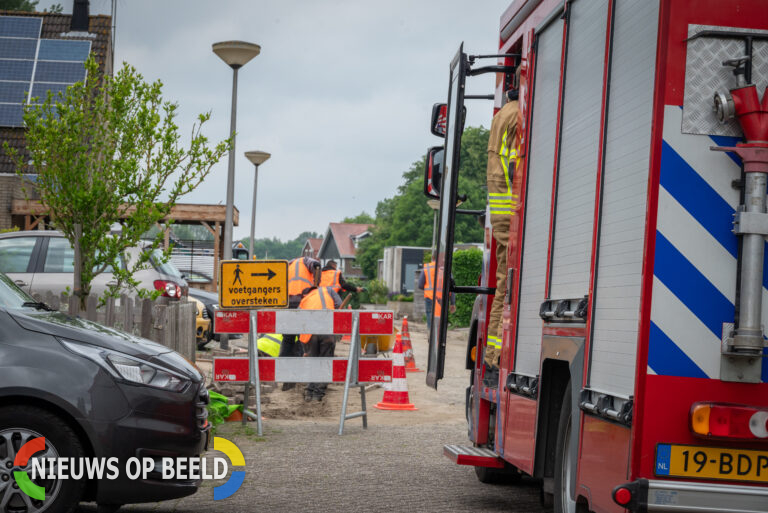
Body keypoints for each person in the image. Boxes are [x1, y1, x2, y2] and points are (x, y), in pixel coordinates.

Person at [484, 86, 520, 387]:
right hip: (512, 215)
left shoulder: (500, 117)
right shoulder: (518, 116)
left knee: (501, 290)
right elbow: (514, 170)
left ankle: (493, 358)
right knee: (508, 288)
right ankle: (495, 359)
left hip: (502, 218)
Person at [281, 256, 321, 391]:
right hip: (302, 302)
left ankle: (285, 375)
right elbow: (316, 265)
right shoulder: (306, 260)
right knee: (301, 338)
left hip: (286, 302)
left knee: (287, 338)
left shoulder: (289, 263)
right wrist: (316, 285)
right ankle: (295, 377)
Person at [298, 285, 342, 402]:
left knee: (313, 363)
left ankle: (309, 392)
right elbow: (339, 304)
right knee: (325, 362)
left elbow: (298, 324)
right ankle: (318, 394)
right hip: (327, 329)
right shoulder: (328, 290)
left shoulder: (304, 301)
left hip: (311, 335)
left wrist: (305, 350)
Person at [418, 252, 455, 330]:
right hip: (443, 300)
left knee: (430, 317)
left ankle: (430, 335)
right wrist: (452, 303)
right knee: (441, 319)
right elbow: (452, 287)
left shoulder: (427, 268)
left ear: (433, 257)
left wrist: (429, 289)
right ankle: (439, 337)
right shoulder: (447, 270)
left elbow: (420, 285)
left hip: (430, 298)